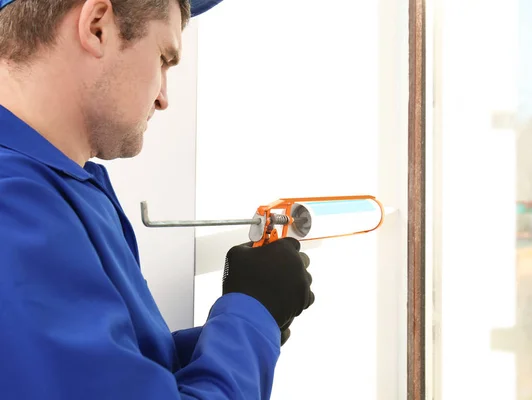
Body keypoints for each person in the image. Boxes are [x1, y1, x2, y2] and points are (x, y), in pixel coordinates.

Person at [0, 0, 315, 399]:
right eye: (164, 58)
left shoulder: (57, 187)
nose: (164, 97)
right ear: (97, 27)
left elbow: (118, 369)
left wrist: (252, 315)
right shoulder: (14, 207)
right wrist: (250, 319)